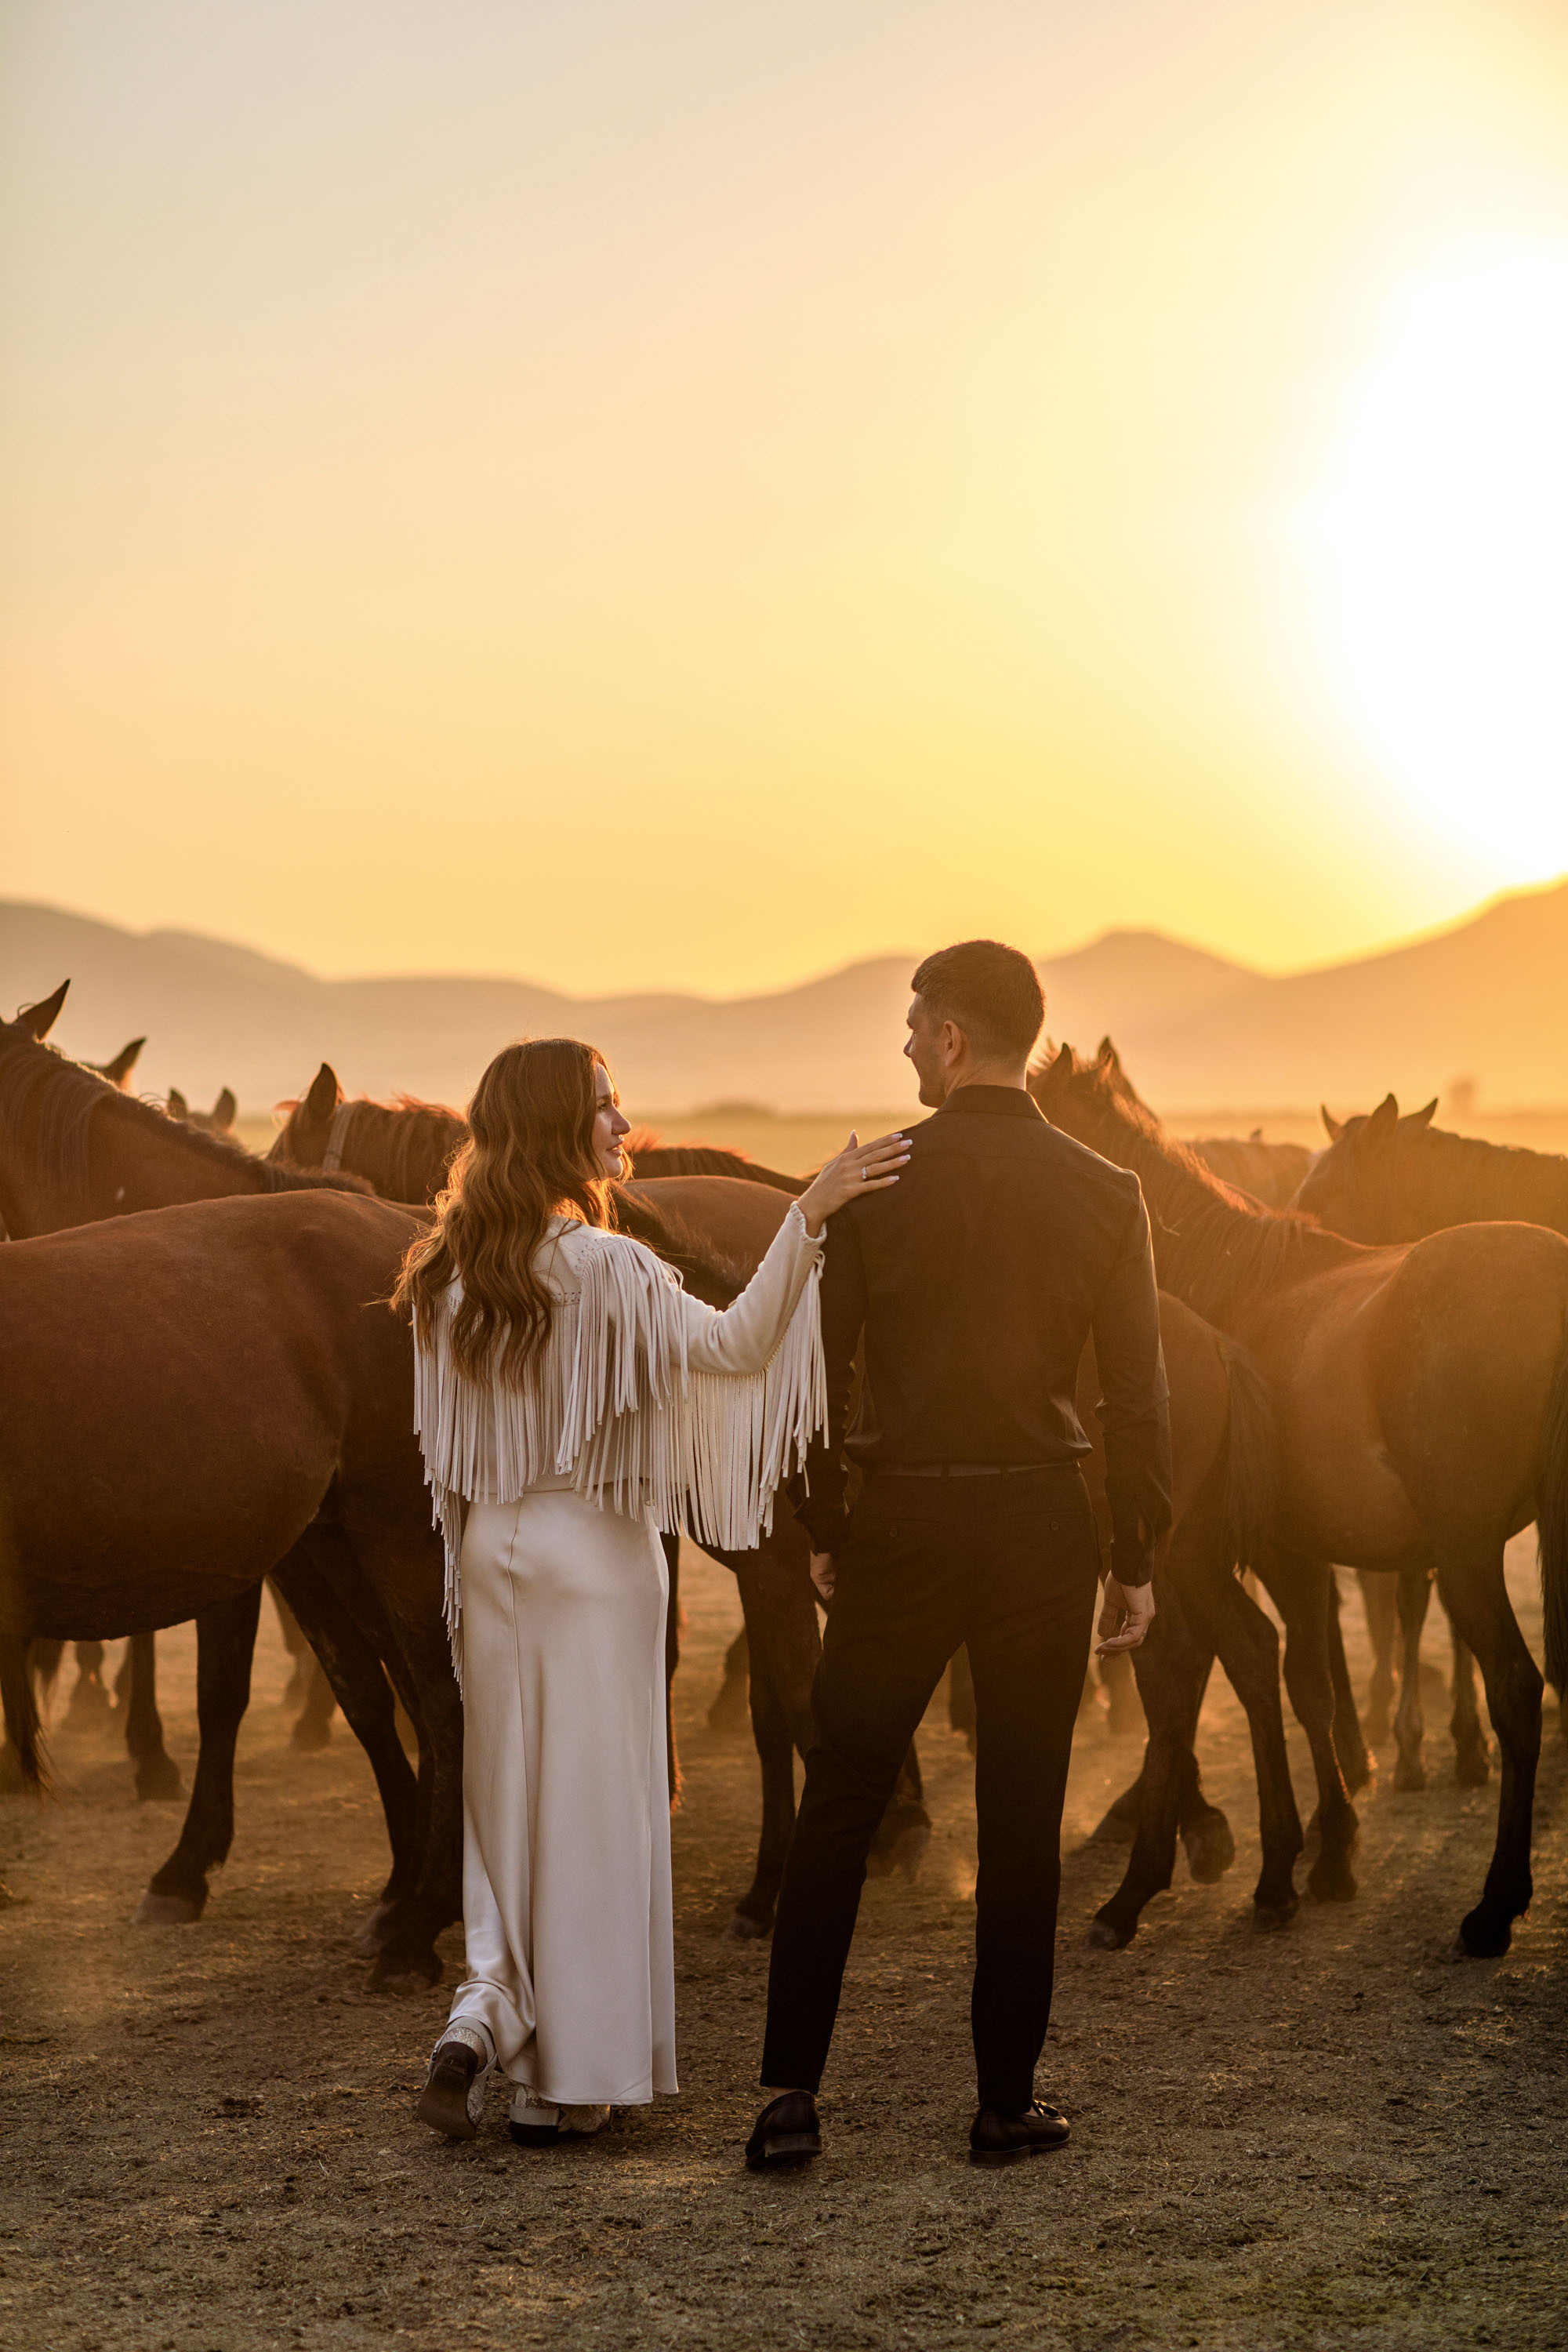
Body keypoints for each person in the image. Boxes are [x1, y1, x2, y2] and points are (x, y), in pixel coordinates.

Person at [397, 1036, 908, 2150]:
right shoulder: (611, 1270)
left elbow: (454, 1449)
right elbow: (740, 1345)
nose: (624, 1125)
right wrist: (807, 1214)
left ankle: (483, 2012)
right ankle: (565, 2086)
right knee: (593, 1813)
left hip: (491, 1550)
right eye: (605, 1105)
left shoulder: (444, 1275)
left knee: (507, 1807)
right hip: (595, 1555)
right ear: (556, 1127)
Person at [749, 939, 1171, 2172]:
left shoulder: (878, 1179)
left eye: (912, 1025)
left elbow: (818, 1378)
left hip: (902, 1523)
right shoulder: (1108, 1191)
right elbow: (1137, 1396)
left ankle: (790, 2099)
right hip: (1043, 1528)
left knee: (840, 1802)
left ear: (950, 1038)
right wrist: (1134, 1552)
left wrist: (829, 1525)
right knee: (1023, 1812)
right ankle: (1003, 2104)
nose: (904, 1046)